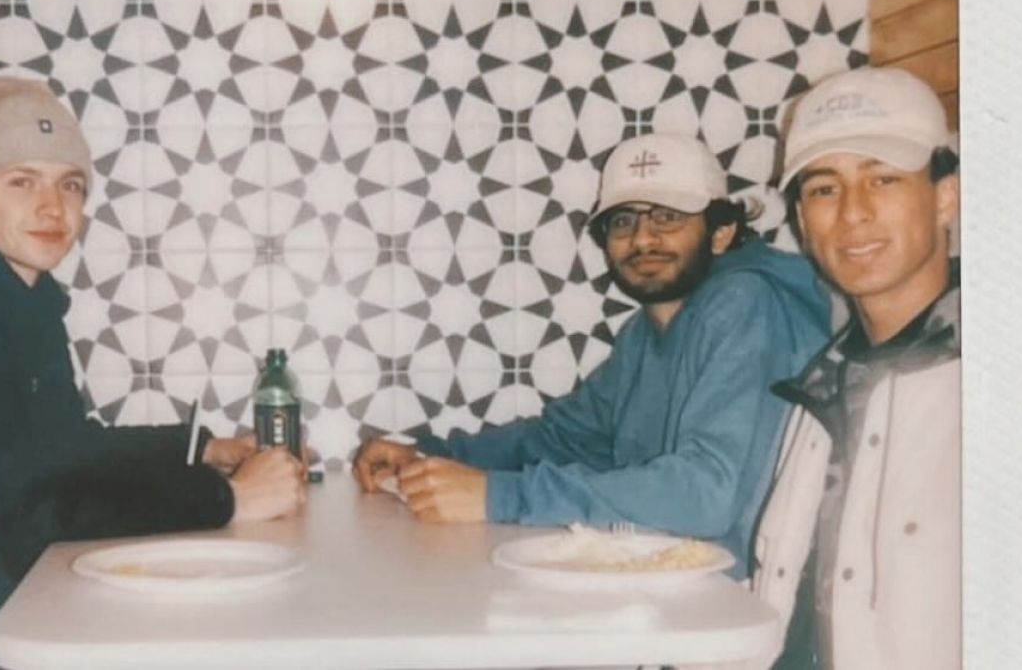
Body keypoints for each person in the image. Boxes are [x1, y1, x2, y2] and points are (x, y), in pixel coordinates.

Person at [0, 77, 306, 659]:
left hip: (16, 594)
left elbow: (61, 447)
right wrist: (225, 500)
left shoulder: (18, 295)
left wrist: (201, 447)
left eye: (70, 184)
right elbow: (21, 510)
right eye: (21, 181)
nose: (52, 206)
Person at [352, 133, 830, 577]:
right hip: (680, 587)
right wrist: (430, 457)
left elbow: (706, 493)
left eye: (668, 216)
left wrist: (500, 497)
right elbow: (565, 440)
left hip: (743, 606)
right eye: (624, 221)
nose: (643, 239)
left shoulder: (746, 304)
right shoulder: (645, 332)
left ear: (721, 233)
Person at [750, 66, 961, 669]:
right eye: (823, 189)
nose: (852, 213)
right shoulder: (819, 391)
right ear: (800, 222)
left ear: (946, 196)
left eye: (884, 179)